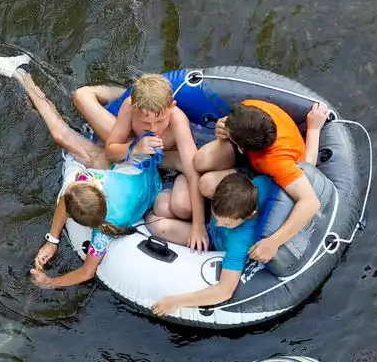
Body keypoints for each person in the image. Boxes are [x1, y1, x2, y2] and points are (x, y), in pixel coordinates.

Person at [0, 54, 161, 288]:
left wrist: (49, 279)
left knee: (61, 135)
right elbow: (86, 270)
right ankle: (21, 74)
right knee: (64, 138)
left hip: (136, 174)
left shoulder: (100, 219)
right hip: (138, 172)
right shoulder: (102, 197)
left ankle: (21, 74)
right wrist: (53, 243)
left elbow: (87, 272)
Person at [72, 75, 204, 251]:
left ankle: (122, 92)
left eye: (160, 121)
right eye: (145, 123)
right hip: (135, 147)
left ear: (172, 107)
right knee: (80, 96)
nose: (154, 129)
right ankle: (118, 91)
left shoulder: (177, 119)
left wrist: (198, 224)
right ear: (134, 109)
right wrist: (133, 148)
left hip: (167, 157)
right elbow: (110, 151)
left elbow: (193, 171)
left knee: (184, 193)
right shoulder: (129, 107)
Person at [192, 99, 329, 264]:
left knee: (206, 185)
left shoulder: (278, 162)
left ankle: (237, 211)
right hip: (249, 151)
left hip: (261, 171)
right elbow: (232, 123)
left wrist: (274, 242)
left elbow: (311, 202)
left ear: (241, 147)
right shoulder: (248, 111)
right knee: (200, 161)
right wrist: (222, 128)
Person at [150, 173, 276, 316]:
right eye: (217, 216)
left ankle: (148, 216)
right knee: (164, 205)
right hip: (205, 226)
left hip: (211, 240)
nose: (220, 224)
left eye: (227, 223)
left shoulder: (239, 241)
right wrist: (204, 222)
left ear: (250, 214)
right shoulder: (259, 184)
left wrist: (176, 302)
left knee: (161, 227)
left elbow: (225, 290)